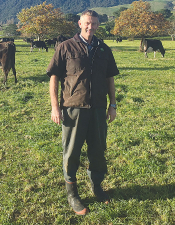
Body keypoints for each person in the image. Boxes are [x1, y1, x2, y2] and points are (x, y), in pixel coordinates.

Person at [47, 10, 119, 215]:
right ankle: (72, 193)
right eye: (87, 23)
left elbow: (110, 79)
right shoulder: (65, 47)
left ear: (97, 25)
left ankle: (96, 185)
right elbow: (54, 78)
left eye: (94, 24)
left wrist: (112, 105)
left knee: (98, 150)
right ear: (79, 23)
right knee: (71, 152)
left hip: (97, 109)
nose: (91, 27)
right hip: (73, 109)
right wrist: (55, 107)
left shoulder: (104, 49)